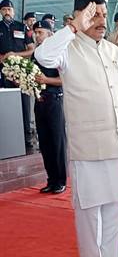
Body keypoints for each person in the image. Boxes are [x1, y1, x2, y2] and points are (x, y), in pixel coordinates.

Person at [35, 0, 118, 257]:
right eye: (94, 15)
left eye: (104, 15)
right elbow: (43, 57)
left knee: (115, 218)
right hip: (87, 150)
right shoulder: (67, 48)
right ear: (79, 16)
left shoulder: (114, 52)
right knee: (90, 222)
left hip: (116, 146)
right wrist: (73, 28)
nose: (101, 21)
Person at [32, 20, 67, 194]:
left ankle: (60, 180)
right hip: (39, 101)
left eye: (41, 32)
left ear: (50, 34)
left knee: (57, 142)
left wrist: (47, 80)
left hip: (54, 99)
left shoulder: (58, 53)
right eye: (35, 32)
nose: (37, 36)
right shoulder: (36, 53)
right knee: (45, 142)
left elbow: (66, 79)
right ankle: (51, 179)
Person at [0, 0, 35, 150]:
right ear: (1, 12)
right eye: (4, 9)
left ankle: (27, 137)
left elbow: (31, 50)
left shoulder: (22, 27)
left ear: (14, 11)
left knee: (24, 105)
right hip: (4, 72)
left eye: (9, 9)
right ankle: (9, 137)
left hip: (21, 71)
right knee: (7, 105)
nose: (7, 12)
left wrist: (15, 55)